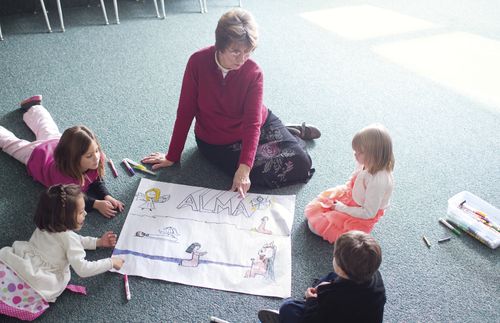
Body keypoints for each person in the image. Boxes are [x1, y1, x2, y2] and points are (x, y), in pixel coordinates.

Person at [142, 8, 318, 197]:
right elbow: (185, 111)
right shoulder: (197, 62)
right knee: (259, 174)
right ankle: (287, 134)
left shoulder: (254, 72)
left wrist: (244, 169)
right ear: (220, 45)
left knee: (301, 163)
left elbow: (252, 124)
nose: (242, 59)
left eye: (248, 52)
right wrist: (172, 155)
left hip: (257, 123)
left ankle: (287, 133)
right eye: (235, 52)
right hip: (218, 141)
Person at [0, 184, 124, 321]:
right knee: (40, 286)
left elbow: (74, 241)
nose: (86, 214)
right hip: (40, 278)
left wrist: (98, 242)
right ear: (66, 217)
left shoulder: (48, 221)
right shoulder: (69, 238)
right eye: (82, 211)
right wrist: (111, 262)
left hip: (21, 261)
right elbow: (83, 269)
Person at [0, 95, 124, 218]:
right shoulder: (63, 178)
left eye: (96, 150)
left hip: (57, 141)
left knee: (46, 126)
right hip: (38, 155)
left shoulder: (91, 157)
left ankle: (34, 107)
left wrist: (106, 195)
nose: (96, 157)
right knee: (13, 144)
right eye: (89, 155)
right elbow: (70, 200)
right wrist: (96, 204)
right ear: (74, 158)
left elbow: (95, 179)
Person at [258, 231, 386, 323]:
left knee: (288, 308)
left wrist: (311, 300)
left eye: (334, 256)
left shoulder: (331, 297)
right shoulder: (376, 277)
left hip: (331, 313)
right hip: (358, 310)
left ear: (341, 268)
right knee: (331, 276)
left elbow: (313, 319)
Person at [305, 124, 395, 243]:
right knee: (319, 207)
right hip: (354, 196)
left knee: (315, 226)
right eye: (355, 151)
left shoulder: (378, 181)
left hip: (362, 213)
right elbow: (356, 177)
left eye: (360, 152)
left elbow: (368, 213)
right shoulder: (369, 162)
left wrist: (342, 208)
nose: (355, 154)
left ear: (374, 155)